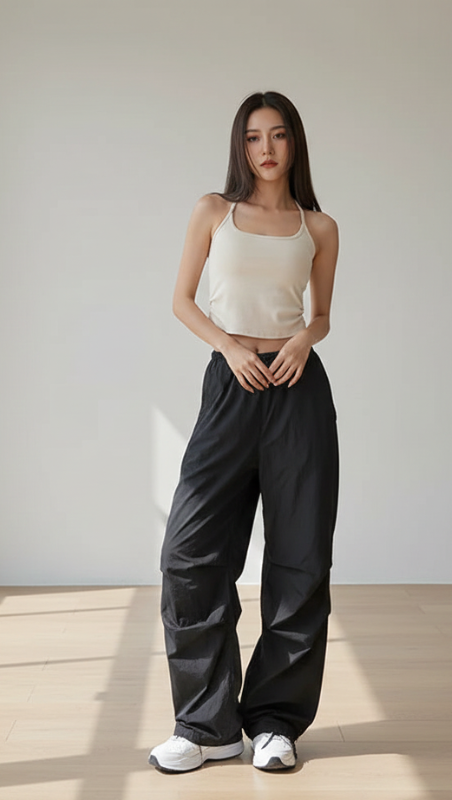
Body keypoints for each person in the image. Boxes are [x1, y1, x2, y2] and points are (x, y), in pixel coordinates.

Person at [149, 90, 339, 774]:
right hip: (231, 386)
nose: (266, 148)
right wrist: (229, 348)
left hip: (297, 392)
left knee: (299, 560)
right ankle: (206, 725)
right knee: (190, 554)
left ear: (294, 143)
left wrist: (304, 339)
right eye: (254, 136)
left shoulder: (319, 227)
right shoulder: (213, 212)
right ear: (241, 145)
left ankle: (275, 723)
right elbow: (181, 300)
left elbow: (321, 315)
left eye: (279, 135)